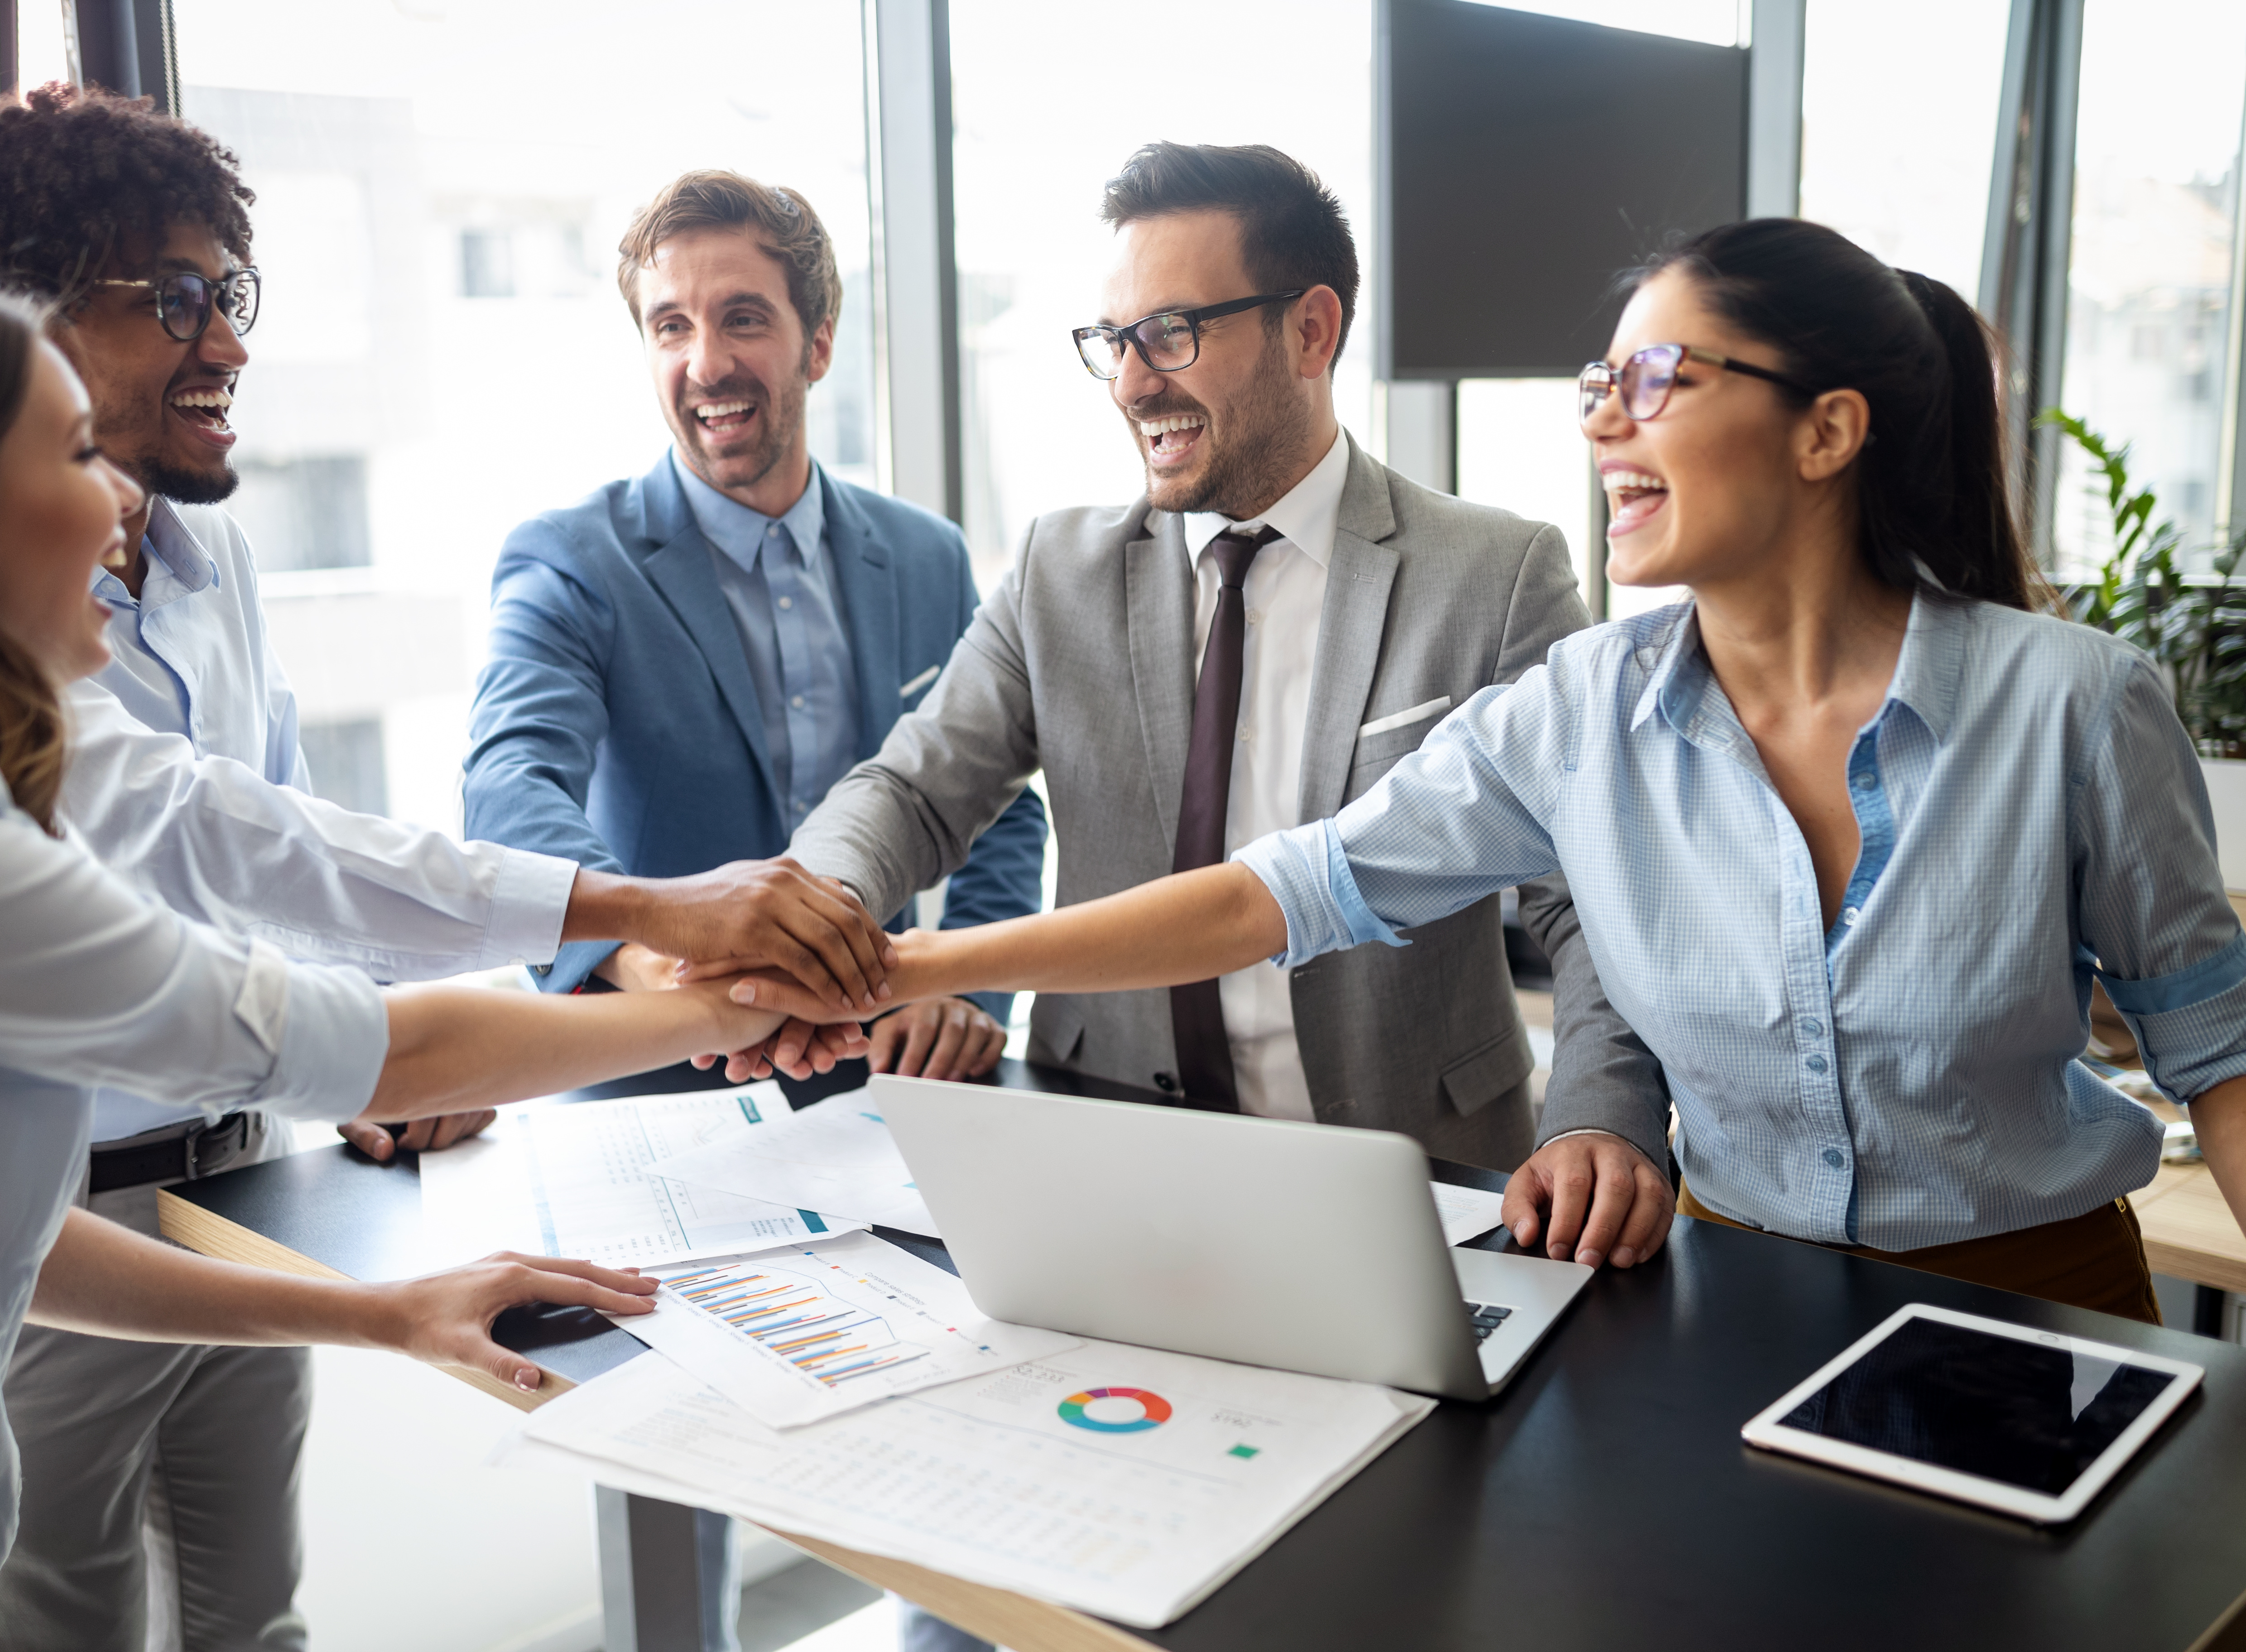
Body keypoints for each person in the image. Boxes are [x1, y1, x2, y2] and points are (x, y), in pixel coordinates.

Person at [733, 217, 2246, 1321]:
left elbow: (2221, 1060)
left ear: (1826, 430)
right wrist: (909, 959)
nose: (1601, 418)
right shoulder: (1587, 704)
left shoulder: (2076, 705)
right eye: (1599, 380)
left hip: (2044, 1311)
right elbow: (1277, 893)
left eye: (1655, 379)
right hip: (1727, 1305)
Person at [0, 89, 889, 1652]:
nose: (227, 341)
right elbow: (215, 825)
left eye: (232, 291)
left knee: (255, 1615)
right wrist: (648, 922)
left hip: (233, 1170)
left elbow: (278, 829)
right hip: (48, 1216)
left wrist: (372, 1039)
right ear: (20, 324)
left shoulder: (209, 555)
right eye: (175, 300)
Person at [773, 142, 1660, 1164]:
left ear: (1312, 331)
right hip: (1106, 1136)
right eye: (1115, 340)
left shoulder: (1496, 573)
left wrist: (1599, 1113)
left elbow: (1590, 896)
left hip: (1418, 1157)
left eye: (1172, 334)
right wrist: (816, 917)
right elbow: (916, 791)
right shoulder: (1057, 568)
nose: (1133, 385)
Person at [458, 165, 1048, 1652]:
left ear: (817, 336)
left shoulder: (921, 555)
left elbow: (997, 798)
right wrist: (653, 946)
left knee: (955, 1437)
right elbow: (511, 790)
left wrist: (962, 991)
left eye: (739, 317)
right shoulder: (570, 559)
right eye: (669, 324)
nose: (704, 361)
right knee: (679, 1486)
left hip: (897, 1082)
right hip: (654, 1098)